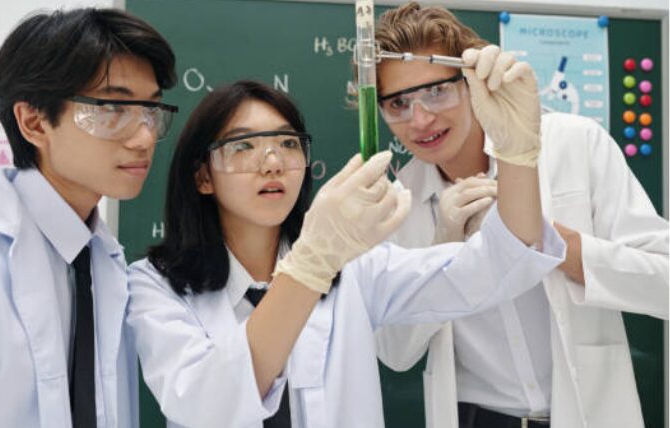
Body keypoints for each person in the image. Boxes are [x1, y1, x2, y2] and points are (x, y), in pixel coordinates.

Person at [126, 79, 564, 427]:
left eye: (287, 143)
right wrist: (310, 264)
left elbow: (500, 265)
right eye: (243, 145)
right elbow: (209, 404)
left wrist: (517, 153)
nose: (272, 162)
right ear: (203, 177)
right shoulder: (154, 284)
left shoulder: (354, 266)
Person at [372, 3, 670, 428]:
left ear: (471, 81)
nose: (420, 119)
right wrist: (441, 251)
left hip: (589, 413)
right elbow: (395, 352)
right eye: (398, 102)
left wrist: (548, 242)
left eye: (437, 91)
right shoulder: (397, 203)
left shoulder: (574, 143)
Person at [0, 8, 178, 427]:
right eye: (114, 109)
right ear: (34, 122)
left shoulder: (107, 262)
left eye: (151, 110)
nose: (144, 137)